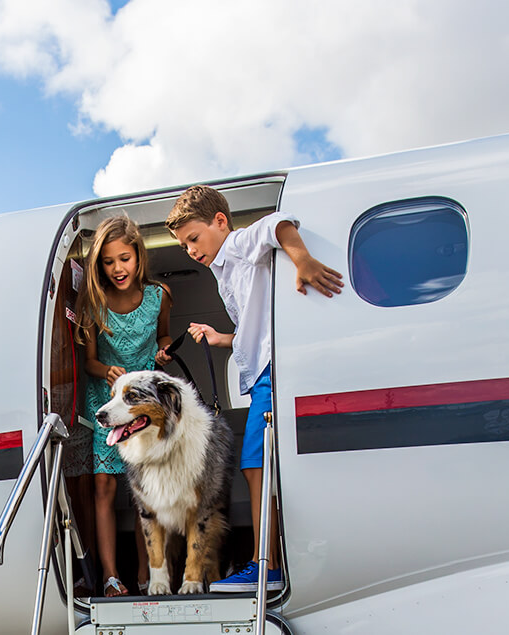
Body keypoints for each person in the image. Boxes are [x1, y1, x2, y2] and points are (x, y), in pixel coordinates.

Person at [165, 185, 342, 592]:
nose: (191, 251)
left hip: (269, 372)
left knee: (256, 466)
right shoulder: (223, 269)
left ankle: (266, 565)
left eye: (194, 239)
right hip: (259, 370)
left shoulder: (241, 243)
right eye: (184, 246)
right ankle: (269, 560)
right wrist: (220, 337)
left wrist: (304, 262)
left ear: (220, 222)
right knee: (257, 466)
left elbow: (278, 226)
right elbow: (253, 328)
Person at [78, 215, 173, 597]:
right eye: (108, 261)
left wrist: (163, 350)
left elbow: (164, 332)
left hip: (143, 407)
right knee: (104, 484)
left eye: (125, 259)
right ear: (99, 265)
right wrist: (106, 370)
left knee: (143, 490)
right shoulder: (93, 303)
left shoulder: (159, 296)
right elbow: (89, 362)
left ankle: (147, 573)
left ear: (139, 258)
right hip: (105, 397)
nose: (118, 268)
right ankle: (112, 577)